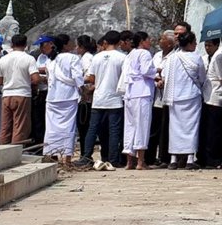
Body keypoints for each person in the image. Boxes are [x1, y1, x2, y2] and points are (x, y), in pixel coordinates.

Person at [77, 31, 127, 169]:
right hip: (115, 98)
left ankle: (86, 156)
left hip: (99, 98)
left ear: (105, 42)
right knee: (114, 130)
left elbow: (91, 78)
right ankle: (113, 159)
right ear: (119, 42)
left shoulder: (97, 57)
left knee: (92, 129)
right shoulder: (122, 58)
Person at [162, 32, 206, 169]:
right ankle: (189, 159)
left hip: (174, 97)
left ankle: (174, 158)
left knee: (175, 128)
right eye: (194, 42)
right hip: (191, 96)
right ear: (189, 43)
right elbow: (202, 77)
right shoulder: (196, 58)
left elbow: (164, 75)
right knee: (191, 128)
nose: (195, 45)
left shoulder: (171, 58)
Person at [119, 31, 157, 170]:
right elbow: (146, 70)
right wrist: (156, 72)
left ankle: (130, 161)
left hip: (130, 93)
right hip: (141, 92)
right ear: (142, 41)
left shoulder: (130, 54)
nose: (150, 41)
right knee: (142, 126)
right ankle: (140, 161)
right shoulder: (144, 53)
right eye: (148, 39)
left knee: (130, 126)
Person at [43, 35, 84, 162]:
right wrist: (83, 90)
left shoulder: (50, 60)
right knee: (69, 128)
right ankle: (67, 158)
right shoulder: (73, 58)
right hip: (68, 96)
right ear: (65, 45)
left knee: (51, 128)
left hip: (52, 97)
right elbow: (78, 77)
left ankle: (52, 155)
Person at [0, 34, 36, 147]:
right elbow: (36, 79)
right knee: (20, 126)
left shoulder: (3, 59)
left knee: (5, 126)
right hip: (22, 94)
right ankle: (15, 151)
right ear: (25, 44)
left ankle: (2, 150)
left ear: (12, 44)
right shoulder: (29, 58)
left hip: (7, 94)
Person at [147, 32, 175, 167]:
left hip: (168, 97)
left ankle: (164, 158)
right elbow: (150, 72)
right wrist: (156, 80)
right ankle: (149, 157)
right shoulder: (157, 55)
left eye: (163, 39)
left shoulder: (174, 56)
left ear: (169, 43)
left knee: (165, 130)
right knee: (153, 129)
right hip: (156, 97)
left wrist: (164, 82)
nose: (160, 40)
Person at [202, 37, 222, 168]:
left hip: (220, 97)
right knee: (214, 131)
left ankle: (218, 156)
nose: (207, 48)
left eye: (209, 45)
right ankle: (213, 158)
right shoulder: (219, 56)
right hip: (215, 97)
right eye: (206, 46)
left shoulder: (221, 54)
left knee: (218, 130)